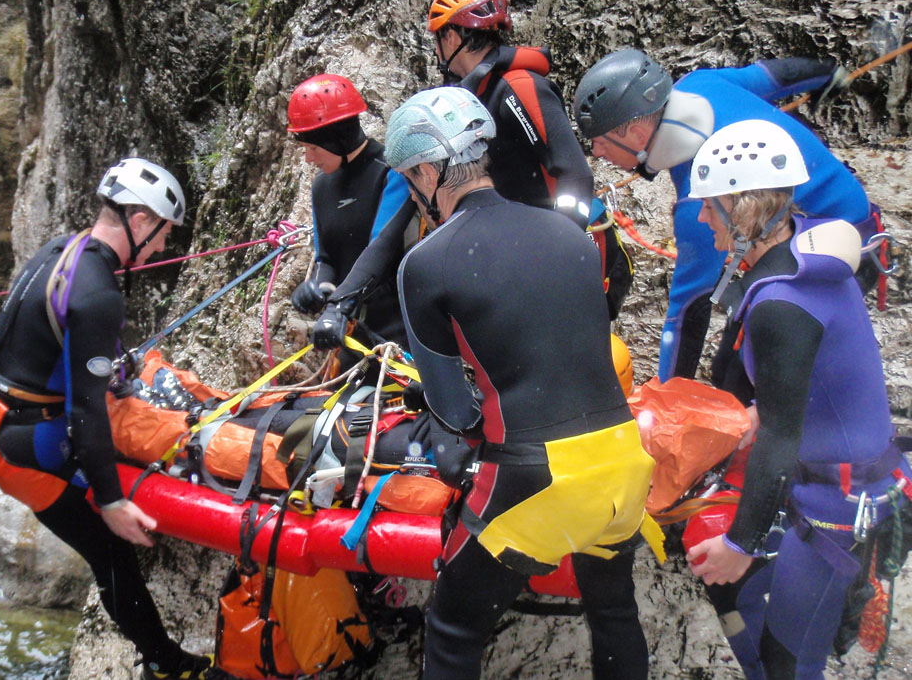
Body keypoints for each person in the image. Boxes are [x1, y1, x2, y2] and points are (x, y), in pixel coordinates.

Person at [387, 85, 662, 680]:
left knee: (454, 628)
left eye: (411, 178)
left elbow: (452, 410)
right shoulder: (568, 234)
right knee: (613, 608)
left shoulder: (425, 263)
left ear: (430, 170)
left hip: (535, 479)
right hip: (623, 463)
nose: (412, 193)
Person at [0, 158, 221, 680]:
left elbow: (46, 341)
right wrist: (112, 501)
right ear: (141, 221)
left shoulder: (63, 249)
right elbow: (84, 415)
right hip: (18, 443)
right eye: (164, 233)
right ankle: (169, 665)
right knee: (109, 550)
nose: (163, 247)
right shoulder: (99, 289)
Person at [681, 120, 911, 679]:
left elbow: (782, 436)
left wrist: (741, 543)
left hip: (836, 509)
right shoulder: (805, 248)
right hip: (846, 483)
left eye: (711, 206)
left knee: (791, 660)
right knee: (740, 603)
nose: (702, 216)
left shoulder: (780, 304)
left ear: (742, 208)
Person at [573, 48, 879, 382]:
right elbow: (773, 75)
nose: (597, 153)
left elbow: (688, 311)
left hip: (839, 258)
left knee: (738, 370)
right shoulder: (701, 84)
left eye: (600, 142)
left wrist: (669, 394)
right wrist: (828, 73)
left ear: (636, 134)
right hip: (854, 229)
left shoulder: (701, 199)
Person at [427, 0, 633, 319]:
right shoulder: (476, 95)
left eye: (438, 38)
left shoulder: (517, 87)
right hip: (520, 251)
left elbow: (575, 175)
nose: (437, 50)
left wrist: (558, 250)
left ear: (451, 37)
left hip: (556, 252)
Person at [286, 73, 410, 350]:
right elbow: (326, 258)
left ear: (338, 139)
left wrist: (338, 305)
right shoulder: (321, 187)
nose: (308, 158)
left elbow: (381, 249)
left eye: (314, 147)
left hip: (402, 326)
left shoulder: (391, 173)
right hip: (354, 328)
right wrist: (319, 288)